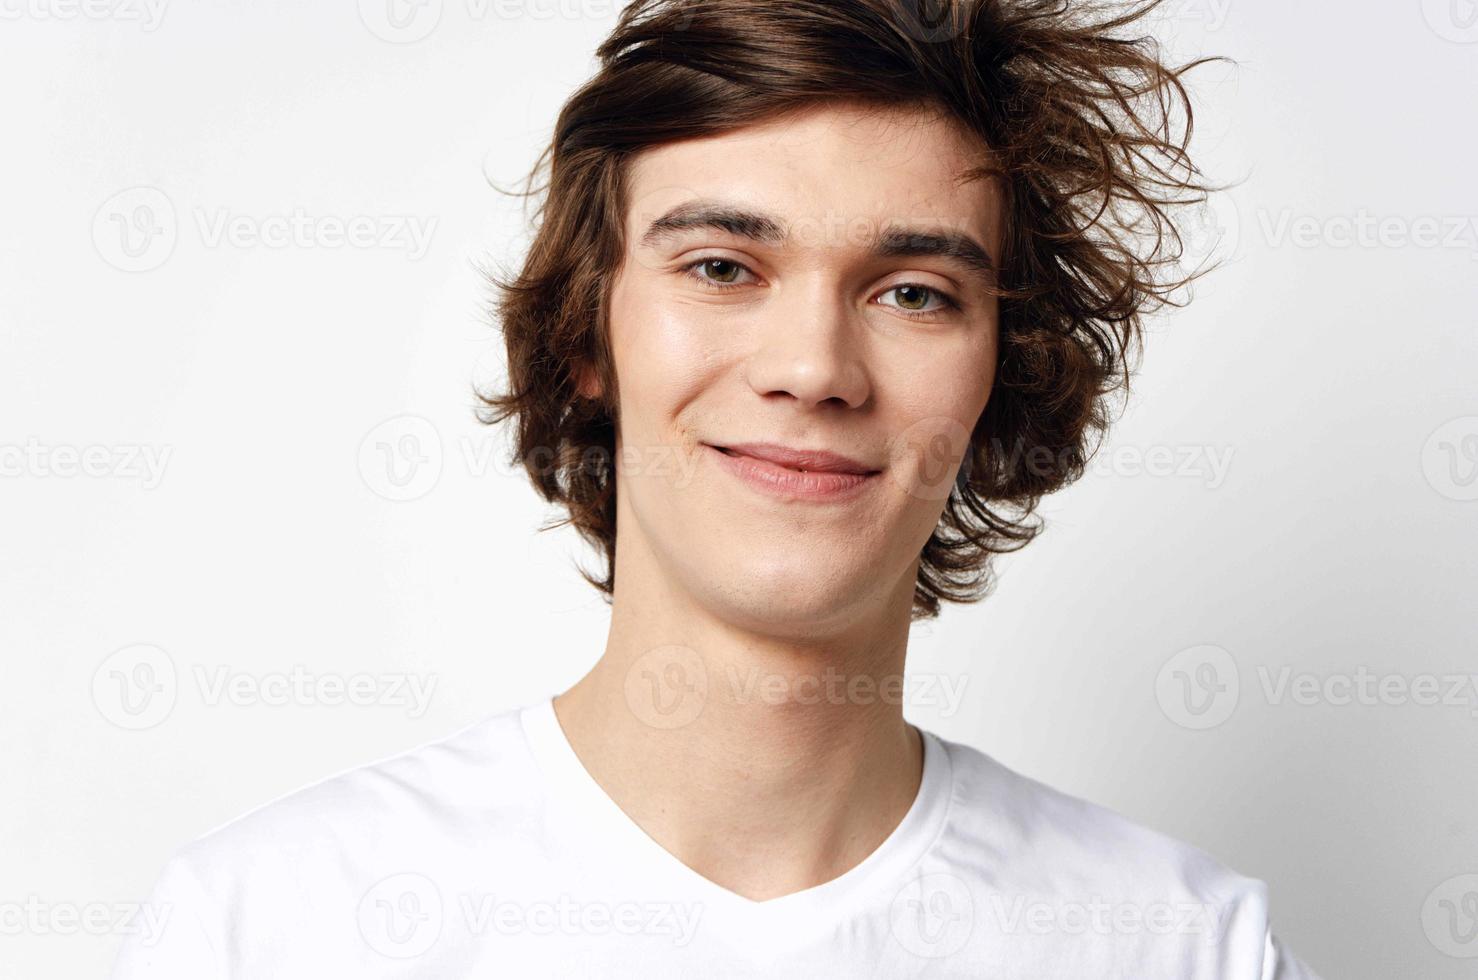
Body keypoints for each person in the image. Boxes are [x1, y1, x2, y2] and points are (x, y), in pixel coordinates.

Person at [111, 0, 1323, 975]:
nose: (812, 368)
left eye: (913, 290)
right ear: (588, 336)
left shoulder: (1180, 945)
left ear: (996, 375)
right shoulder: (269, 927)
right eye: (722, 265)